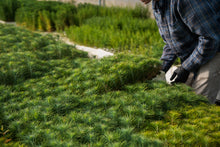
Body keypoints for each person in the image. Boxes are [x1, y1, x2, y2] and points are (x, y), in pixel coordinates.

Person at [140, 0, 220, 105]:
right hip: (199, 50)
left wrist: (186, 68)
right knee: (182, 98)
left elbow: (211, 39)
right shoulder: (158, 4)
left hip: (215, 48)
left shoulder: (184, 2)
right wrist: (160, 68)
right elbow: (172, 42)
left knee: (199, 103)